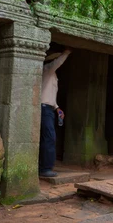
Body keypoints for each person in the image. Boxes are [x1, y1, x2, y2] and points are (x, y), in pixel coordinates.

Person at [39, 48, 71, 177]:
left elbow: (48, 94)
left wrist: (57, 108)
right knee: (49, 138)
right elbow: (57, 63)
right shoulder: (47, 69)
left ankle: (43, 166)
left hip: (48, 108)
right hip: (44, 108)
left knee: (47, 138)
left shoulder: (51, 74)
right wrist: (66, 53)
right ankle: (45, 168)